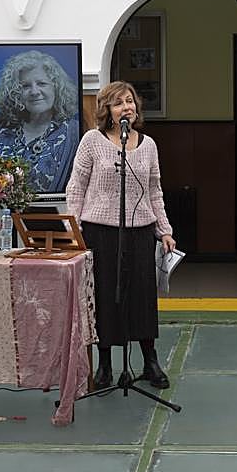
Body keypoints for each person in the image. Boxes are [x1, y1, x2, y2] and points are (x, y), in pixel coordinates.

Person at [66, 81, 176, 390]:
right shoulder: (92, 141)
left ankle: (150, 361)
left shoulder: (149, 145)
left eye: (130, 101)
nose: (126, 106)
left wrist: (164, 230)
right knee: (105, 295)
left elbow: (155, 191)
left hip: (140, 232)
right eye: (118, 103)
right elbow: (76, 188)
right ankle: (104, 366)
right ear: (107, 111)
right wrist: (73, 232)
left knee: (141, 295)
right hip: (99, 233)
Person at [0, 50, 79, 192]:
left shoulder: (74, 133)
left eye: (42, 83)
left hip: (52, 214)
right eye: (25, 86)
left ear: (57, 88)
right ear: (15, 92)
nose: (34, 91)